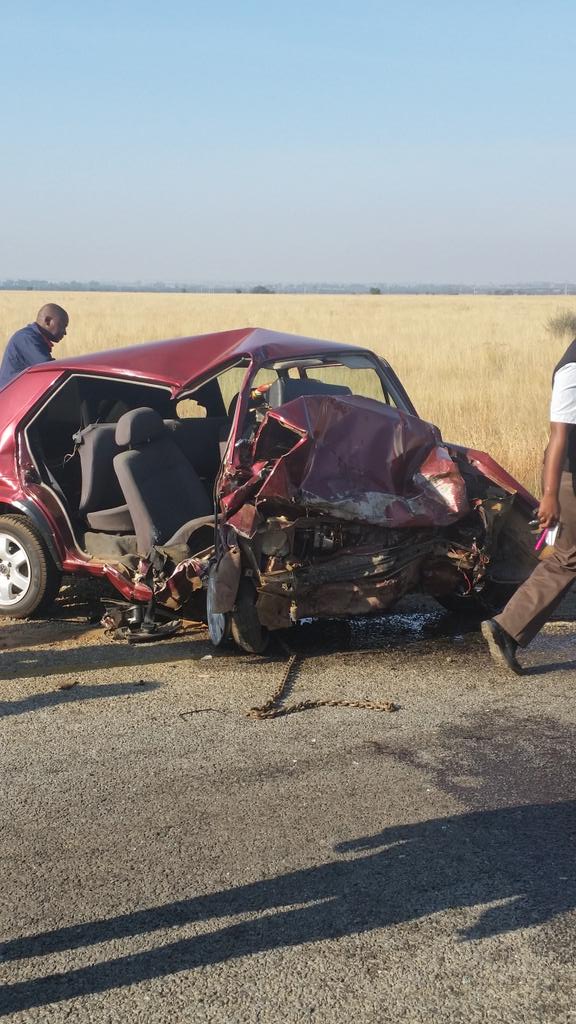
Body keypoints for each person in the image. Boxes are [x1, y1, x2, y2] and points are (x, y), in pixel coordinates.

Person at [481, 337, 576, 673]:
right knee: (568, 557)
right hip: (569, 478)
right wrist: (549, 495)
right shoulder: (572, 368)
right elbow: (558, 437)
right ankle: (506, 628)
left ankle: (507, 628)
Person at [0, 303, 69, 388]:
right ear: (47, 321)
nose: (65, 332)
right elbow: (50, 369)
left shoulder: (35, 338)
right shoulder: (27, 338)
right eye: (63, 326)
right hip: (10, 395)